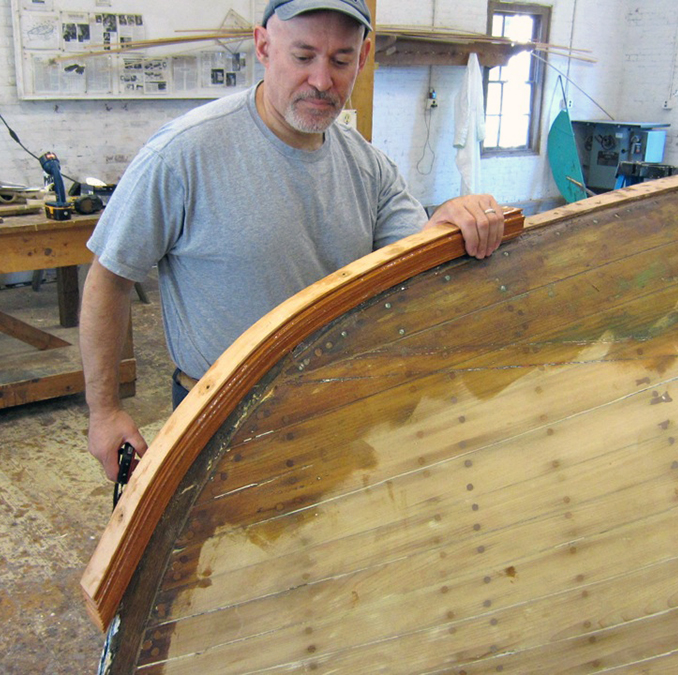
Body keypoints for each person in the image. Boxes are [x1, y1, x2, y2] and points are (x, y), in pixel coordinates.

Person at [80, 0, 505, 481]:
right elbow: (110, 280)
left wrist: (449, 222)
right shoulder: (182, 156)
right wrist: (104, 411)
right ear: (263, 46)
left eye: (341, 60)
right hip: (216, 420)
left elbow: (412, 271)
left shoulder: (370, 169)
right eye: (303, 57)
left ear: (362, 59)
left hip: (334, 413)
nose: (322, 81)